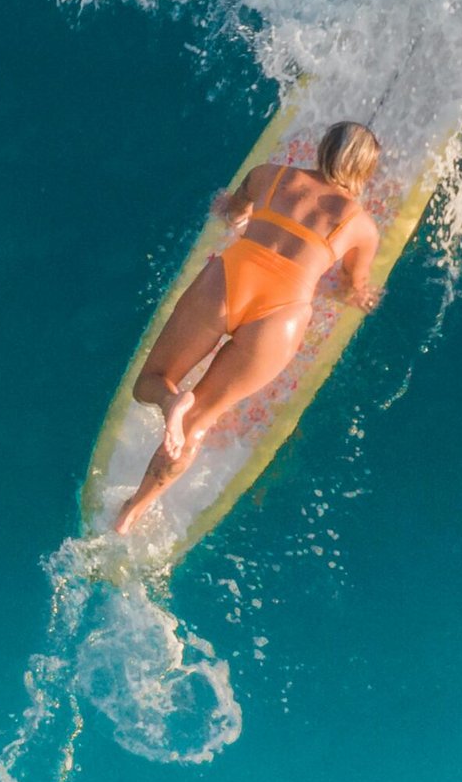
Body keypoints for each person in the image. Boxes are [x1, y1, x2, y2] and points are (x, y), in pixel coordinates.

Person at [112, 121, 383, 537]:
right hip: (284, 311)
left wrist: (235, 211)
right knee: (200, 422)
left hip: (231, 278)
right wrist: (362, 297)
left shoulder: (268, 175)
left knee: (151, 381)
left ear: (321, 149)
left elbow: (230, 210)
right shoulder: (361, 227)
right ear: (365, 172)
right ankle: (133, 511)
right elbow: (352, 287)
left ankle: (169, 403)